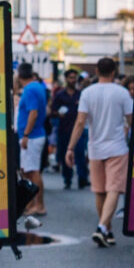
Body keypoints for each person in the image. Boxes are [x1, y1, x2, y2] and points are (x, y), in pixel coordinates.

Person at [65, 57, 134, 246]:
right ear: (113, 72)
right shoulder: (122, 93)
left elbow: (80, 122)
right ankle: (103, 227)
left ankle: (107, 230)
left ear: (97, 70)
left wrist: (70, 147)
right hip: (118, 147)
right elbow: (131, 119)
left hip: (95, 148)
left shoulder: (87, 93)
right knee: (114, 189)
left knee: (99, 191)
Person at [15, 64, 49, 228]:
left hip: (32, 136)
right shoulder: (37, 86)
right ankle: (31, 204)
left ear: (20, 75)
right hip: (33, 135)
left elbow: (33, 113)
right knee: (27, 171)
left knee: (32, 171)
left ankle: (39, 205)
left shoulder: (30, 89)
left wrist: (26, 134)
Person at [51, 68, 88, 191]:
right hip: (64, 129)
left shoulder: (81, 94)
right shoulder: (60, 95)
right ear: (66, 79)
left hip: (78, 130)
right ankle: (67, 179)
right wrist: (58, 114)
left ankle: (82, 178)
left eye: (74, 77)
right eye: (70, 77)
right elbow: (53, 111)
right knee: (65, 155)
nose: (73, 80)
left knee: (80, 154)